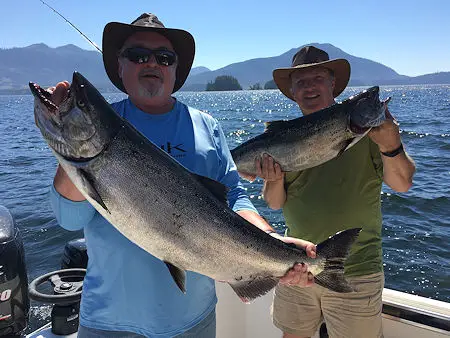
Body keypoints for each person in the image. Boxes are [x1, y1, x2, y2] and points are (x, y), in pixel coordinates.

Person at [47, 14, 316, 338]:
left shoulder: (207, 126)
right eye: (137, 55)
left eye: (164, 57)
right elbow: (68, 218)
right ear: (120, 66)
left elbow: (235, 195)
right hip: (108, 321)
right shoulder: (102, 122)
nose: (152, 63)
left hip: (193, 321)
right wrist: (72, 142)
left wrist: (270, 241)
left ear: (176, 69)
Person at [252, 46, 416, 338]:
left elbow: (402, 184)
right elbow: (274, 203)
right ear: (292, 91)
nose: (309, 86)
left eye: (317, 78)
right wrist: (273, 179)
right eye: (301, 82)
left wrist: (392, 144)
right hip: (296, 264)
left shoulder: (370, 134)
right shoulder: (283, 138)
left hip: (357, 269)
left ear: (332, 84)